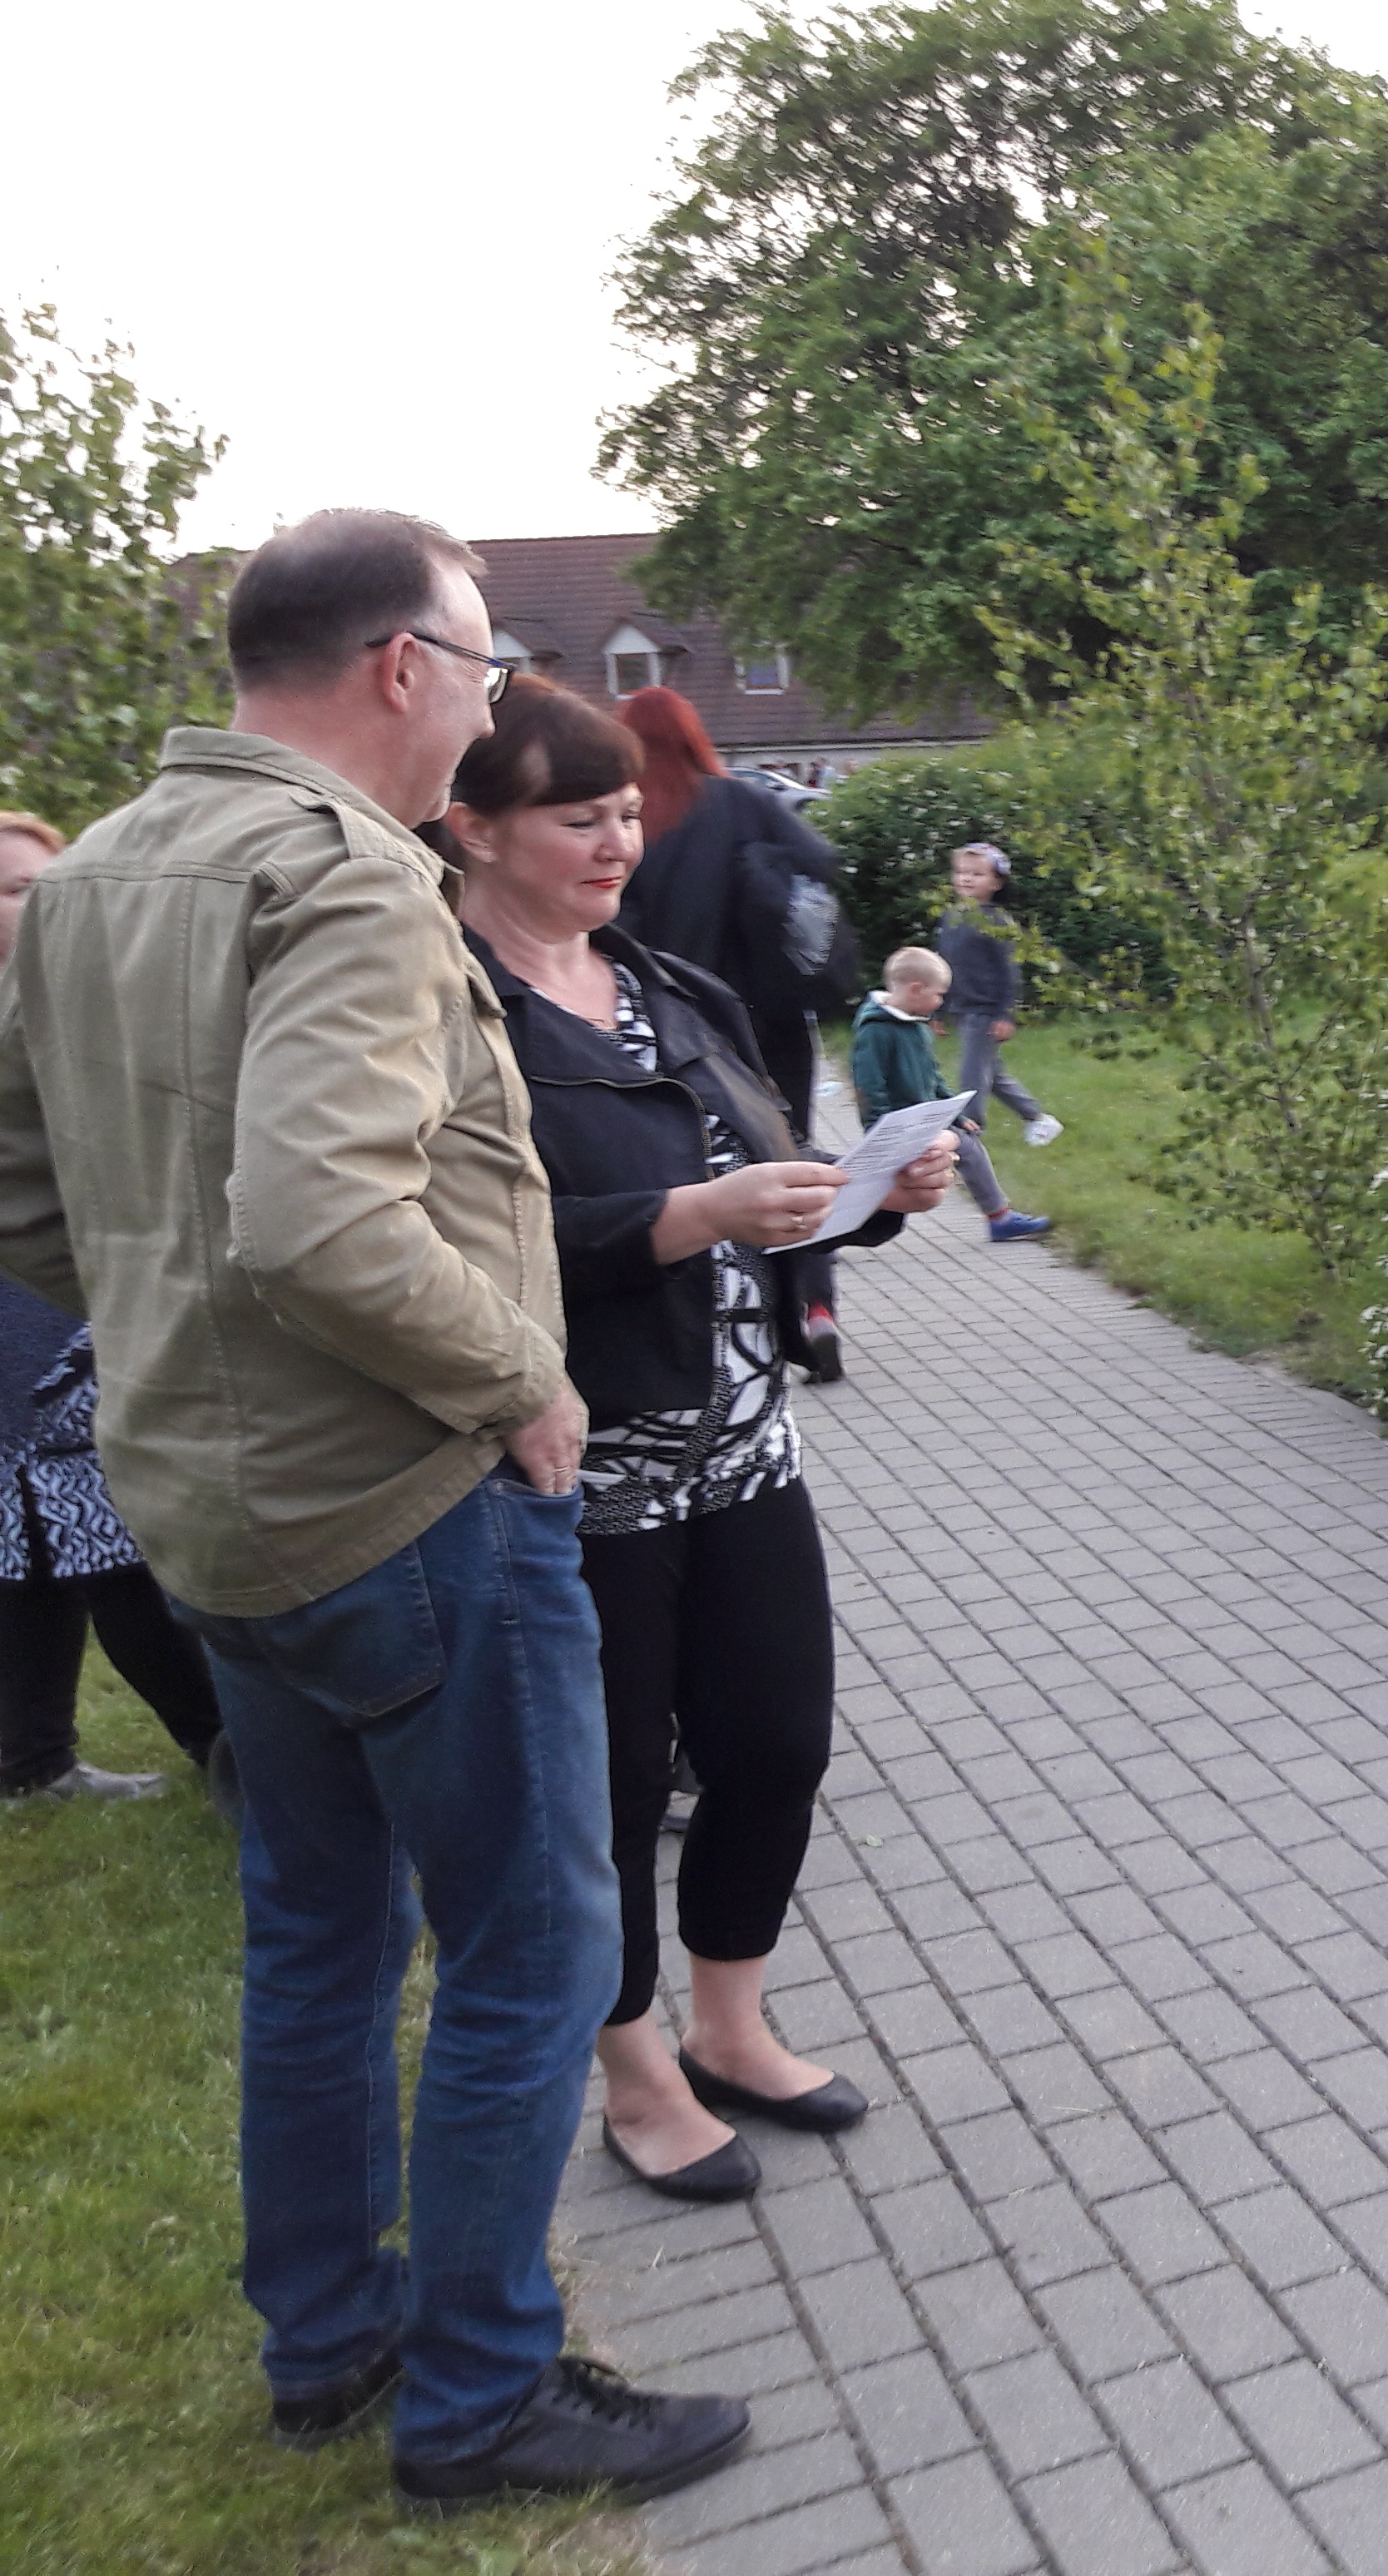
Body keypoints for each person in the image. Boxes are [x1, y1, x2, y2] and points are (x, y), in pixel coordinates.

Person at [0, 512, 746, 2509]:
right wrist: (520, 1381)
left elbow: (25, 1193)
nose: (493, 708)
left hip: (210, 1502)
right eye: (486, 668)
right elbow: (324, 1217)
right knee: (530, 1946)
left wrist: (174, 1316)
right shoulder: (343, 875)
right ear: (402, 665)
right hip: (404, 1502)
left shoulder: (99, 868)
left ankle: (330, 2338)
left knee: (319, 1934)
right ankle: (482, 2395)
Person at [447, 681, 955, 2207]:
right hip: (578, 1473)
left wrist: (864, 1197)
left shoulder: (672, 986)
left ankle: (730, 2027)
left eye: (625, 813)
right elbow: (461, 1242)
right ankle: (634, 2071)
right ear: (475, 830)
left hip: (743, 1450)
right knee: (604, 1796)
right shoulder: (450, 1013)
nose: (618, 841)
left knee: (777, 1746)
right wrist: (685, 1217)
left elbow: (766, 1175)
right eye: (576, 817)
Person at [0, 810, 234, 1814]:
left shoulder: (93, 1007)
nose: (38, 904)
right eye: (16, 889)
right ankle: (228, 1752)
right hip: (39, 1324)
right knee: (97, 1541)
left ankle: (35, 1761)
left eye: (47, 884)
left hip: (94, 1306)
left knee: (56, 1538)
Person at [611, 690, 855, 1380]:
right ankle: (815, 1307)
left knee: (689, 1174)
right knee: (792, 1160)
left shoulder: (632, 821)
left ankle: (717, 1319)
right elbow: (822, 868)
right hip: (772, 1024)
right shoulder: (745, 803)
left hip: (673, 1029)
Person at [851, 949, 1053, 1242]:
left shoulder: (916, 1026)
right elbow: (868, 1085)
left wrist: (956, 1115)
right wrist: (878, 1128)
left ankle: (999, 1219)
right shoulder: (876, 1032)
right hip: (894, 1126)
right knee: (880, 1186)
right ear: (916, 989)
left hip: (923, 1120)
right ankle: (828, 1233)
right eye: (939, 995)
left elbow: (933, 1077)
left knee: (967, 1146)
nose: (941, 1002)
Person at [939, 842, 1061, 1146]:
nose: (967, 879)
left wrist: (1006, 1014)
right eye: (961, 872)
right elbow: (943, 966)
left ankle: (970, 1138)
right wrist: (937, 1009)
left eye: (977, 874)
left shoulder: (998, 923)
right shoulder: (952, 917)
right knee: (991, 1075)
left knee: (971, 1078)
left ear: (996, 883)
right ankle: (1038, 1118)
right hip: (963, 1007)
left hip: (986, 1011)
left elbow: (1010, 971)